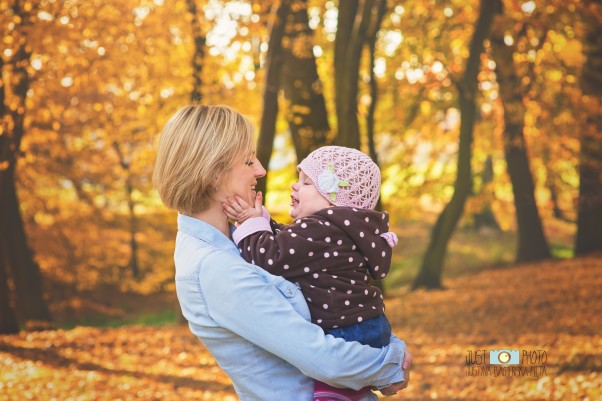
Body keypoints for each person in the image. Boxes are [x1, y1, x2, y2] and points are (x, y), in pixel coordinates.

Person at [152, 104, 412, 401]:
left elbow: (333, 293)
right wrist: (392, 361)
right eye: (249, 162)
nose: (261, 170)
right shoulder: (214, 267)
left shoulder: (237, 239)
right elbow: (325, 360)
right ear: (213, 173)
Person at [223, 146, 399, 401]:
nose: (295, 186)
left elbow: (270, 258)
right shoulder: (335, 231)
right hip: (368, 326)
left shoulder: (319, 229)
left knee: (330, 396)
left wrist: (248, 222)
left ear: (333, 200)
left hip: (345, 333)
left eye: (307, 182)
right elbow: (291, 245)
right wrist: (261, 220)